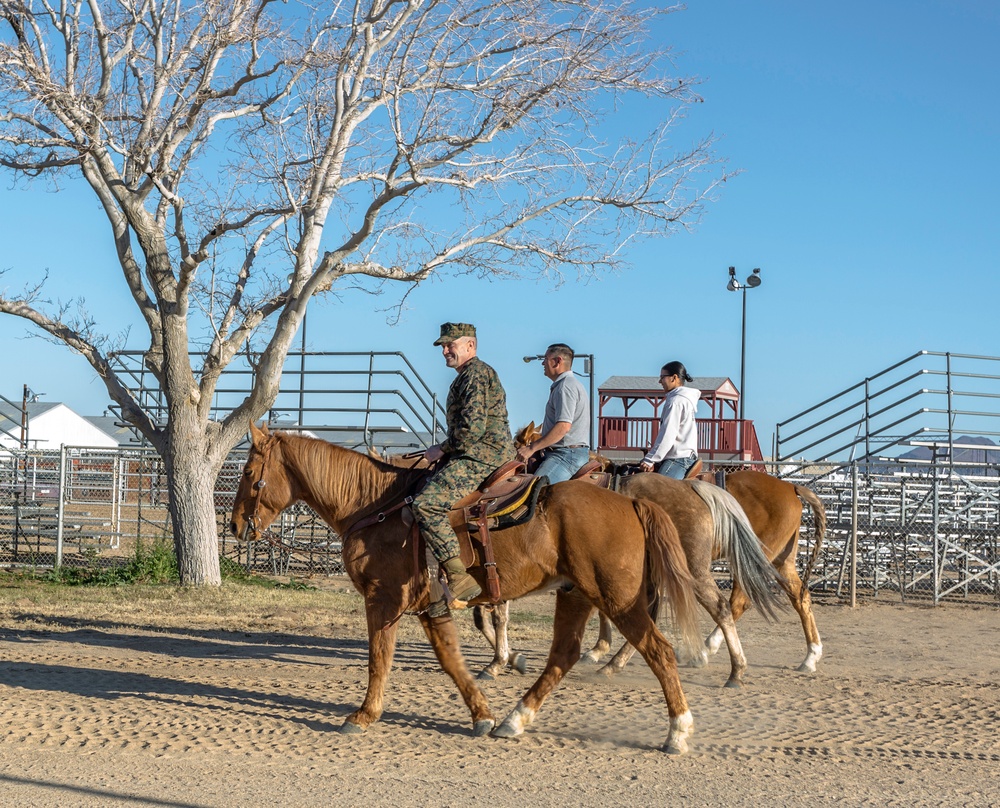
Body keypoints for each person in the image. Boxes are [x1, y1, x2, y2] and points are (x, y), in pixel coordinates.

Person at [412, 322, 516, 609]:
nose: (445, 350)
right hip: (477, 451)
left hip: (483, 455)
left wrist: (440, 449)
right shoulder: (467, 376)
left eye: (451, 345)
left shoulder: (476, 375)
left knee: (426, 504)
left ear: (470, 345)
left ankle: (459, 578)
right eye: (443, 346)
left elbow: (471, 430)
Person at [516, 343, 591, 483]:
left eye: (546, 358)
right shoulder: (568, 385)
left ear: (557, 361)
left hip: (566, 455)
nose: (543, 363)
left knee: (534, 490)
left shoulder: (565, 387)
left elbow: (563, 427)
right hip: (566, 452)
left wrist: (531, 448)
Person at [639, 360, 700, 479]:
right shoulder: (685, 399)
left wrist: (650, 459)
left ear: (674, 377)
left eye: (662, 377)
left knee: (656, 492)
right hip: (686, 457)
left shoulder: (675, 401)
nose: (660, 381)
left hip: (677, 459)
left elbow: (668, 434)